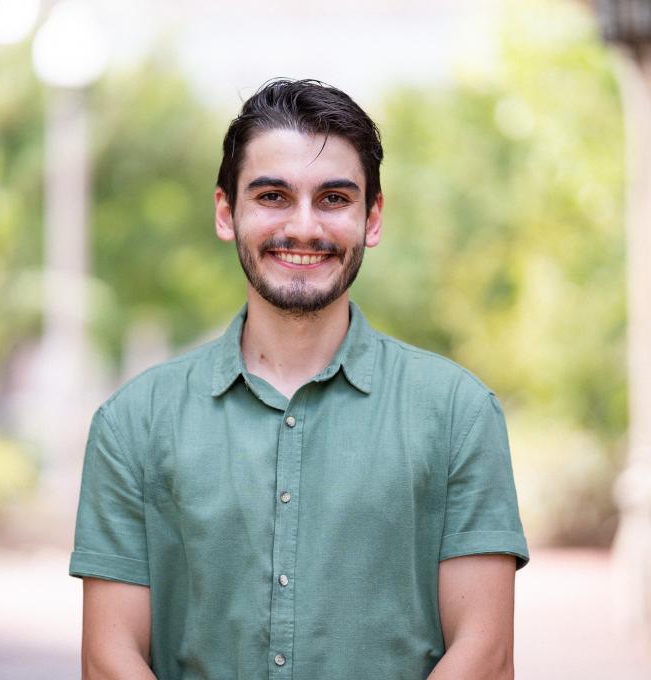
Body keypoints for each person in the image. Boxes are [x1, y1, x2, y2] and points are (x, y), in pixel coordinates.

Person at [70, 78, 529, 680]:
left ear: (373, 217)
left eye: (335, 198)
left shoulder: (458, 412)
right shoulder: (132, 422)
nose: (305, 227)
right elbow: (109, 659)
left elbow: (484, 655)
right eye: (273, 196)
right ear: (226, 213)